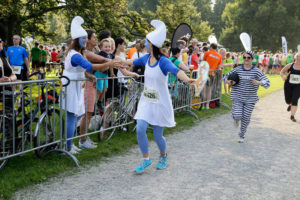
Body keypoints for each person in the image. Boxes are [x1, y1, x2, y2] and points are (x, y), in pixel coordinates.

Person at [122, 20, 194, 173]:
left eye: (147, 42)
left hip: (160, 102)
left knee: (157, 135)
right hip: (147, 99)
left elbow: (177, 71)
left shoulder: (164, 61)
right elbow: (131, 61)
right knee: (140, 128)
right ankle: (146, 159)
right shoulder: (145, 59)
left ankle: (163, 155)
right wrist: (116, 62)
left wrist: (187, 79)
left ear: (152, 44)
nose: (145, 45)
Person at [60, 16, 121, 154]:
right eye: (83, 39)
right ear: (77, 40)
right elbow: (90, 65)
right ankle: (68, 146)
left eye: (85, 38)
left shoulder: (76, 53)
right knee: (71, 117)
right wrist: (109, 63)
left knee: (75, 115)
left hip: (75, 86)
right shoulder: (75, 55)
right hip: (70, 87)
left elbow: (87, 68)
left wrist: (94, 72)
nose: (85, 41)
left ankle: (69, 143)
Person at [224, 51, 270, 143]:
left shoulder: (257, 71)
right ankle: (236, 119)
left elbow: (267, 82)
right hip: (237, 97)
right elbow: (225, 77)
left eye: (248, 57)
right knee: (237, 115)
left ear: (252, 59)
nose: (246, 59)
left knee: (246, 118)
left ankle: (241, 135)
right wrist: (229, 82)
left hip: (250, 99)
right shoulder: (237, 69)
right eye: (244, 57)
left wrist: (259, 82)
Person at [280, 52, 300, 122]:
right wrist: (283, 77)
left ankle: (292, 116)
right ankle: (290, 104)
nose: (298, 58)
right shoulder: (290, 65)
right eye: (297, 56)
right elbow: (282, 72)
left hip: (298, 86)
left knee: (295, 99)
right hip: (288, 85)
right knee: (287, 100)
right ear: (295, 57)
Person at [202, 43, 222, 110]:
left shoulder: (207, 53)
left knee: (204, 89)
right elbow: (219, 66)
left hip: (205, 73)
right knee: (209, 90)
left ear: (210, 47)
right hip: (212, 74)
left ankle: (203, 104)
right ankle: (207, 105)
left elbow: (203, 62)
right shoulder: (219, 56)